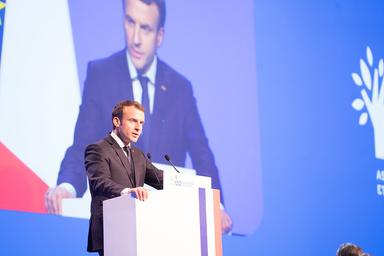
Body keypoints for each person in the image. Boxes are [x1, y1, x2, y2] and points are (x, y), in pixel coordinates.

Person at [44, 0, 232, 233]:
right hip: (115, 223)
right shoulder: (100, 74)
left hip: (166, 224)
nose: (135, 38)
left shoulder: (180, 88)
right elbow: (83, 146)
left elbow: (202, 155)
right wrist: (67, 188)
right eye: (130, 22)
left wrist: (217, 206)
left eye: (146, 28)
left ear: (159, 36)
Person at [85, 100, 163, 255]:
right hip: (111, 227)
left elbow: (160, 179)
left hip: (137, 228)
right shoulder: (98, 149)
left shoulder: (138, 155)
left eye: (141, 122)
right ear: (116, 121)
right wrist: (128, 191)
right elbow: (99, 181)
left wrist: (188, 184)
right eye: (133, 120)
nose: (138, 127)